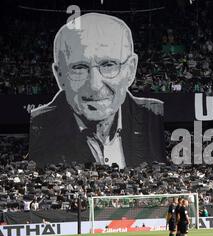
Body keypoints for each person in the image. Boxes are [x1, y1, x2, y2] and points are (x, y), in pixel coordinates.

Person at [29, 13, 165, 168]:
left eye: (108, 65)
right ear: (60, 76)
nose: (94, 85)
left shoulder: (154, 115)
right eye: (79, 68)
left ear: (131, 69)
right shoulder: (40, 127)